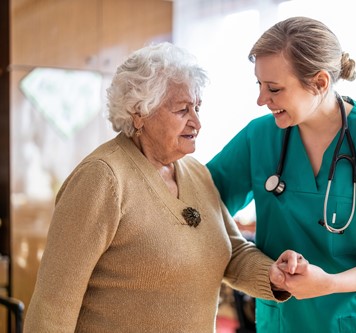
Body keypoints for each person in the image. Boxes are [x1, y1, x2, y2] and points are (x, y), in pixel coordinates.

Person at [24, 42, 306, 333]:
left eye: (197, 108)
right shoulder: (102, 178)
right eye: (182, 110)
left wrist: (272, 274)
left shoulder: (196, 173)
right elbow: (53, 306)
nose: (196, 122)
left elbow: (231, 252)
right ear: (139, 113)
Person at [207, 16, 356, 332]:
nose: (261, 100)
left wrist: (329, 283)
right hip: (285, 321)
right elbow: (201, 204)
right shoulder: (258, 137)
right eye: (259, 85)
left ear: (319, 83)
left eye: (274, 88)